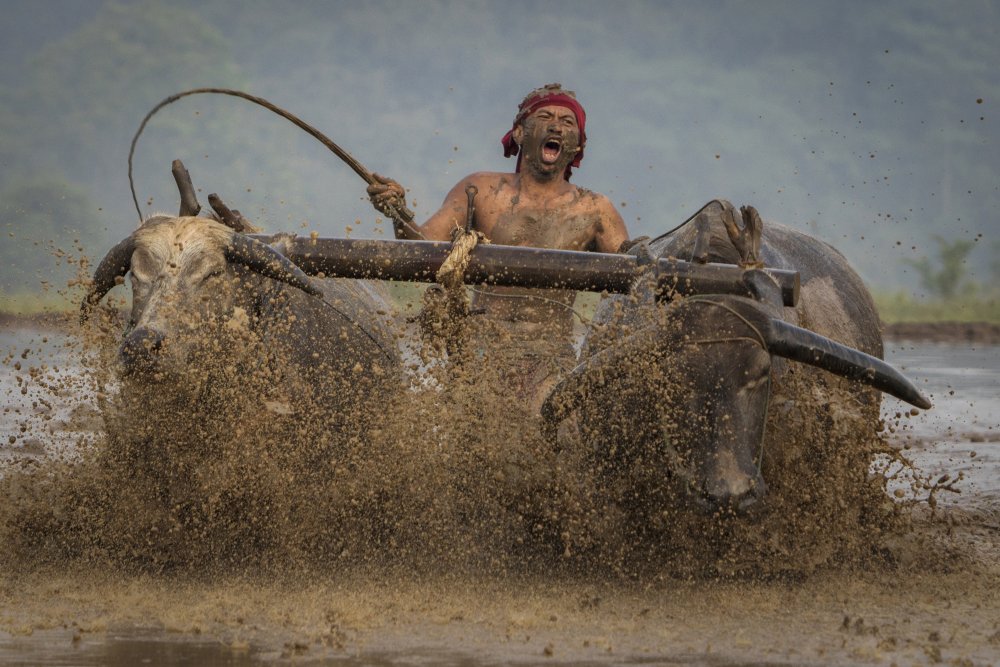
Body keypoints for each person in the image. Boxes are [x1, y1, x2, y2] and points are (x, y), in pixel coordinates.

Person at [367, 83, 630, 411]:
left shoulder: (595, 209)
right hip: (482, 351)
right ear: (520, 133)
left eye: (567, 122)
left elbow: (634, 272)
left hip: (553, 356)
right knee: (472, 435)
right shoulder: (482, 190)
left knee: (561, 430)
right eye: (545, 116)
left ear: (577, 144)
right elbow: (421, 250)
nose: (556, 126)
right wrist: (398, 211)